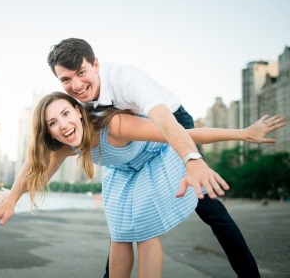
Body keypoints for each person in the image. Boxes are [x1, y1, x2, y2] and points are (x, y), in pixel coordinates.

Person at [0, 92, 286, 278]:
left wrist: (244, 133)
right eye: (53, 123)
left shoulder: (116, 124)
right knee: (120, 228)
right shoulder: (65, 143)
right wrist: (12, 197)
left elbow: (182, 135)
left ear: (79, 112)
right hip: (128, 170)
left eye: (65, 114)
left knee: (206, 210)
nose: (62, 125)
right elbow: (35, 169)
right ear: (49, 132)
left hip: (162, 153)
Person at [45, 38, 259, 277]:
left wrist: (194, 160)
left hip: (174, 123)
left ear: (96, 65)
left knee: (209, 209)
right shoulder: (76, 104)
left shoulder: (128, 81)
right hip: (136, 141)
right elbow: (46, 159)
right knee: (122, 216)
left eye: (81, 72)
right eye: (66, 79)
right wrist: (12, 197)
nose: (76, 84)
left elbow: (167, 123)